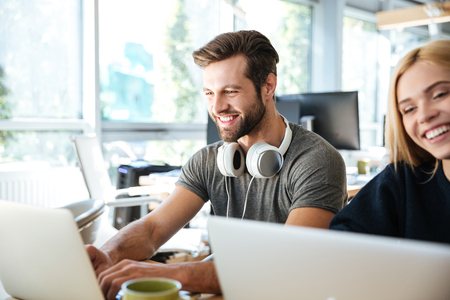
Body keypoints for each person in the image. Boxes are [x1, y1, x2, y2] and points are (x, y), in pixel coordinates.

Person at [87, 30, 347, 299]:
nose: (217, 106)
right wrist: (108, 254)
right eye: (209, 93)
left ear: (268, 86)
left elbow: (288, 264)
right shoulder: (210, 160)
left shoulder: (317, 161)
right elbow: (153, 229)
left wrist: (164, 274)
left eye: (230, 91)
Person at [330, 39, 450, 245]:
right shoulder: (401, 183)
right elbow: (336, 250)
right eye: (409, 109)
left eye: (440, 94)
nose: (423, 116)